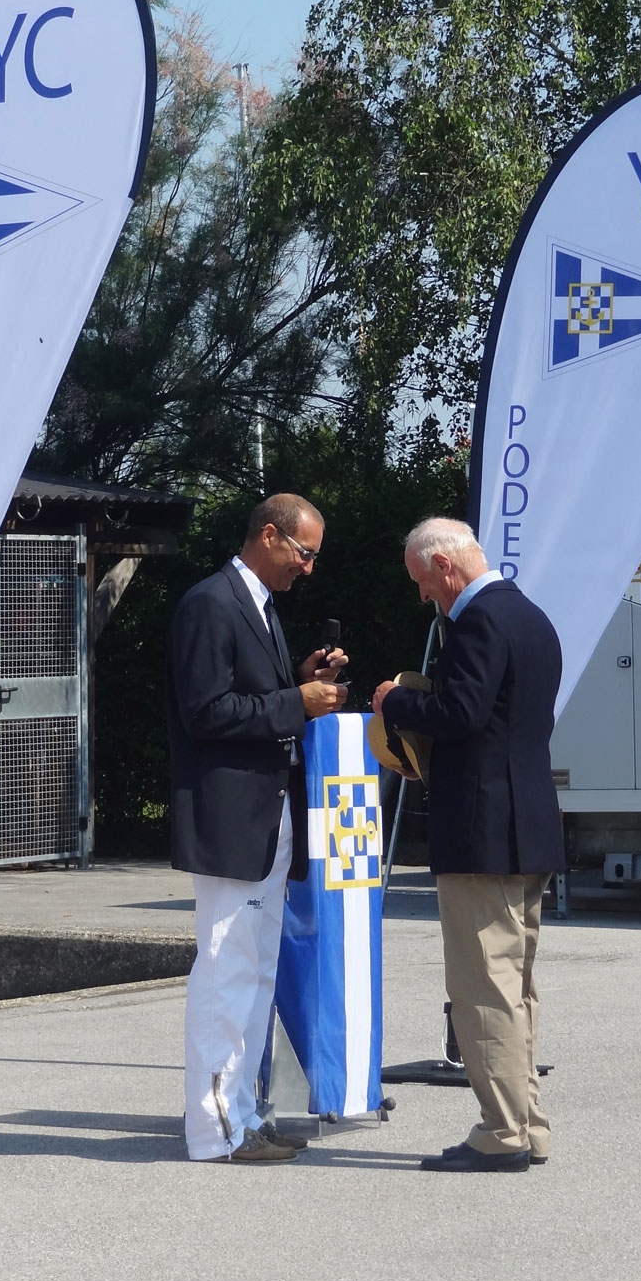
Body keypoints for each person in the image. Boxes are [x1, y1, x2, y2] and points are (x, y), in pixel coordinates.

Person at [373, 518, 564, 1174]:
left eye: (423, 583)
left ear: (445, 566)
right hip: (528, 827)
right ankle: (528, 1125)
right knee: (516, 987)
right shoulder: (532, 617)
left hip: (483, 834)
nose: (425, 596)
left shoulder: (478, 622)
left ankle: (501, 1132)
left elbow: (463, 713)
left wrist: (397, 703)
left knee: (484, 988)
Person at [169, 493, 348, 1163]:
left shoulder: (258, 605)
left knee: (253, 972)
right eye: (304, 553)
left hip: (267, 817)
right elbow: (205, 711)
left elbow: (246, 697)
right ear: (269, 535)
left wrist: (297, 683)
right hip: (232, 822)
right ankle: (217, 1130)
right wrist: (295, 702)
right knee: (226, 975)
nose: (309, 568)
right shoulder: (210, 603)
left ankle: (241, 1115)